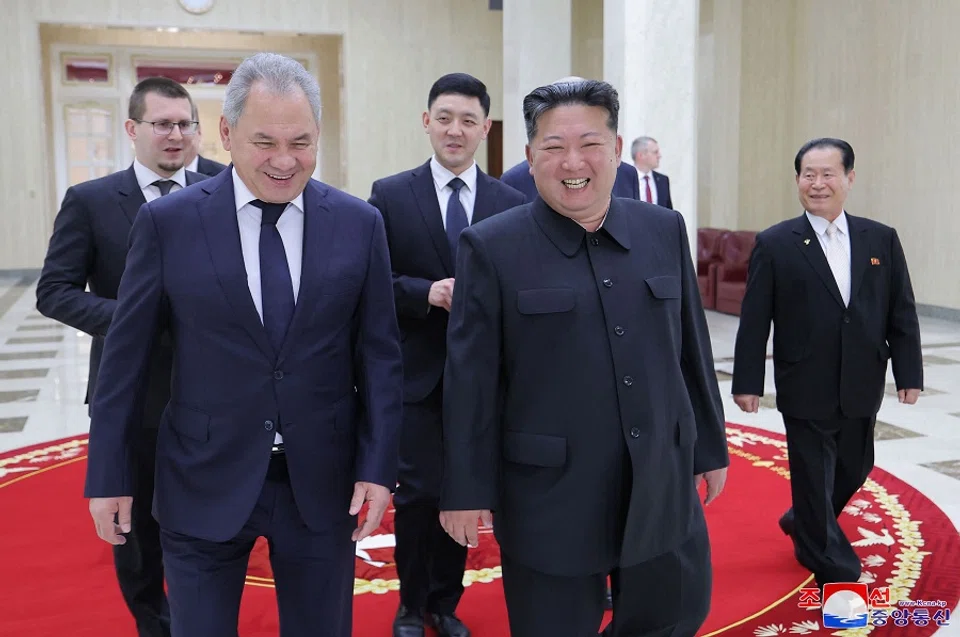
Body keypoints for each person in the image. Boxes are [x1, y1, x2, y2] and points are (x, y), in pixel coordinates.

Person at [83, 52, 403, 637]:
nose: (285, 161)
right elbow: (124, 361)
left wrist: (380, 466)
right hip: (202, 477)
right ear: (227, 133)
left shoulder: (360, 224)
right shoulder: (169, 223)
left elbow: (380, 357)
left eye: (301, 142)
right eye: (265, 142)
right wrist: (108, 475)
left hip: (322, 483)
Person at [439, 78, 728, 637]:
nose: (574, 162)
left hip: (659, 480)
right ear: (529, 157)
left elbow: (690, 347)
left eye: (590, 144)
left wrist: (710, 446)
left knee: (673, 614)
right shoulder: (490, 246)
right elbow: (470, 380)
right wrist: (466, 489)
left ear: (617, 150)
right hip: (550, 492)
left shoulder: (662, 228)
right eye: (553, 147)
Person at [36, 76, 210, 637]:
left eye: (186, 124)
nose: (176, 136)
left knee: (209, 516)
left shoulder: (224, 185)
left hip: (214, 389)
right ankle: (152, 623)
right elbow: (54, 291)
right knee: (135, 530)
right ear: (133, 129)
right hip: (132, 393)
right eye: (163, 124)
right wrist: (131, 320)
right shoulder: (91, 201)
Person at [368, 73, 524, 637]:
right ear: (426, 121)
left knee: (468, 491)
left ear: (485, 127)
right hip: (420, 376)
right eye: (444, 117)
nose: (454, 130)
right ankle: (411, 604)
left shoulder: (512, 201)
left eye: (467, 120)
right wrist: (424, 292)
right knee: (421, 496)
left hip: (487, 377)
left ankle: (445, 603)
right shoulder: (390, 193)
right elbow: (369, 283)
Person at [732, 138, 923, 587]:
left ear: (849, 179)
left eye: (827, 174)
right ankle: (836, 568)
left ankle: (804, 521)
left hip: (862, 376)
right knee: (813, 475)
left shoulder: (880, 238)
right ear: (798, 180)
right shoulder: (776, 243)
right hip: (804, 379)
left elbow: (901, 310)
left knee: (856, 466)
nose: (817, 184)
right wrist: (747, 382)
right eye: (807, 175)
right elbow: (755, 318)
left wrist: (909, 372)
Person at [182, 106, 228, 176]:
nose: (175, 135)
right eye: (163, 124)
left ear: (199, 131)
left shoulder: (225, 176)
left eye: (184, 125)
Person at [630, 136, 672, 209]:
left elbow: (669, 211)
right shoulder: (623, 179)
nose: (659, 156)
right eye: (655, 152)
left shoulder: (663, 180)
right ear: (641, 155)